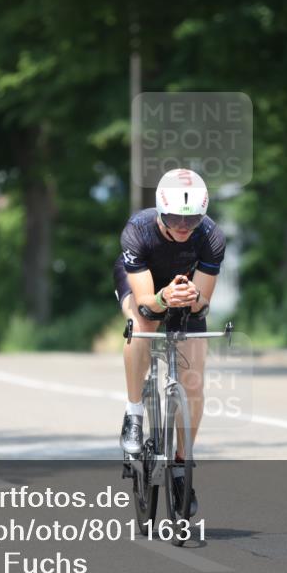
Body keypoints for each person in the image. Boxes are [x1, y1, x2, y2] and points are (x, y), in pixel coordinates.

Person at [114, 168, 225, 516]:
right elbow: (147, 301)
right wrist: (163, 298)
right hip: (145, 284)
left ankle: (181, 464)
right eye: (175, 217)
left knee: (194, 381)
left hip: (184, 287)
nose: (182, 226)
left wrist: (194, 299)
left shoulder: (211, 237)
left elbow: (204, 303)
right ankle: (134, 413)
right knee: (141, 322)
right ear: (161, 211)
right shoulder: (138, 230)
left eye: (191, 220)